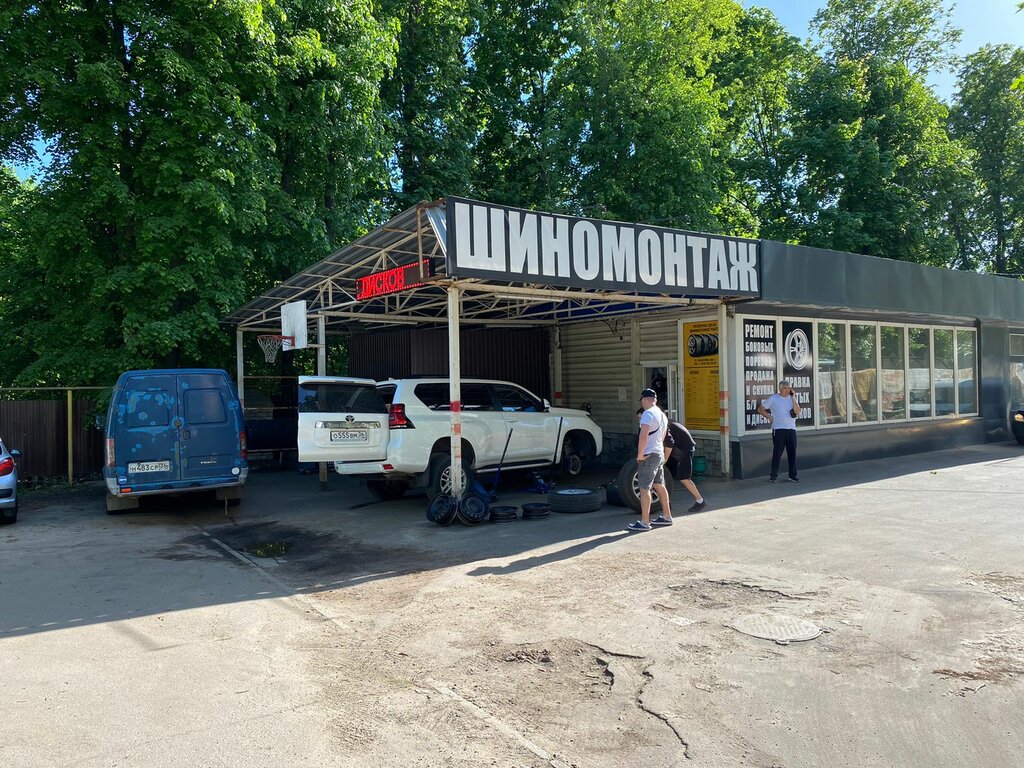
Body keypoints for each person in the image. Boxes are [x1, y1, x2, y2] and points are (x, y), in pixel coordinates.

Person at [627, 389, 672, 532]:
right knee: (659, 485)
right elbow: (663, 436)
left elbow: (643, 436)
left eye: (642, 400)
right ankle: (667, 516)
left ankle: (645, 522)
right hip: (658, 453)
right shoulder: (662, 415)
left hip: (648, 455)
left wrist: (640, 454)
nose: (642, 403)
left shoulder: (647, 414)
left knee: (644, 488)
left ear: (645, 400)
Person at [758, 379, 801, 483]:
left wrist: (793, 397)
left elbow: (797, 411)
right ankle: (773, 476)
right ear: (780, 389)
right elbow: (760, 409)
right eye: (785, 388)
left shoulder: (792, 398)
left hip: (791, 429)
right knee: (777, 453)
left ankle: (792, 475)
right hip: (779, 429)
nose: (787, 390)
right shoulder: (774, 398)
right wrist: (769, 416)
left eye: (789, 388)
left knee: (792, 453)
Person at [663, 418, 707, 513]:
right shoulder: (668, 422)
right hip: (681, 449)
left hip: (685, 450)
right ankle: (666, 502)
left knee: (684, 478)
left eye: (640, 418)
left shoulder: (663, 425)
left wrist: (664, 460)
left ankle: (700, 501)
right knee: (666, 475)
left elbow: (669, 443)